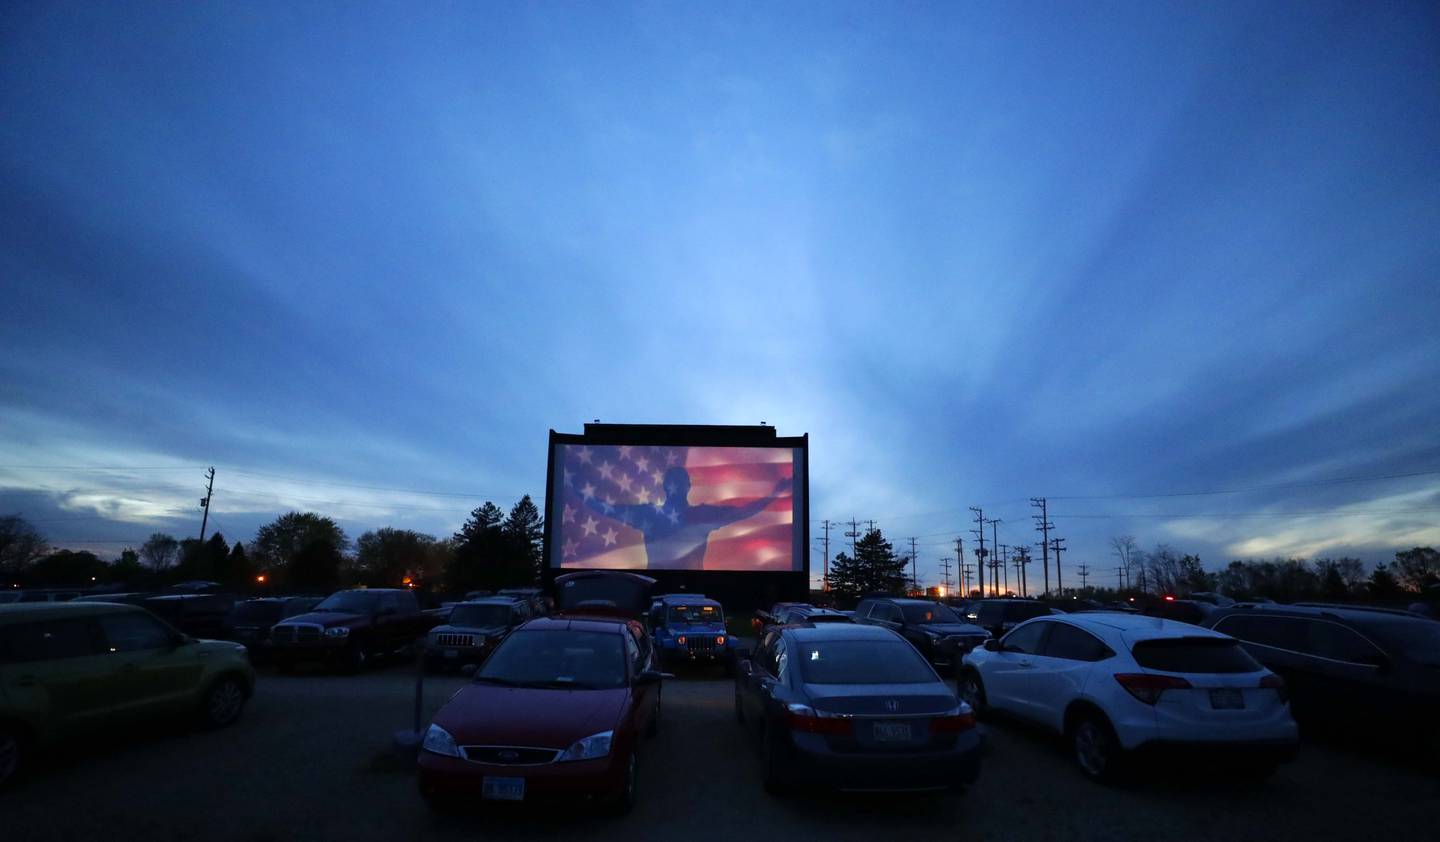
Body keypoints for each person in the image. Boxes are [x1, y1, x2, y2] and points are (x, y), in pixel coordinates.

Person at [585, 466, 790, 570]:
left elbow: (743, 512)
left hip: (690, 588)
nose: (678, 487)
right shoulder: (649, 514)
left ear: (688, 486)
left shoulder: (700, 514)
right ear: (666, 486)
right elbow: (607, 509)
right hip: (658, 587)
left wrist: (772, 495)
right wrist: (575, 490)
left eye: (680, 482)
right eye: (675, 482)